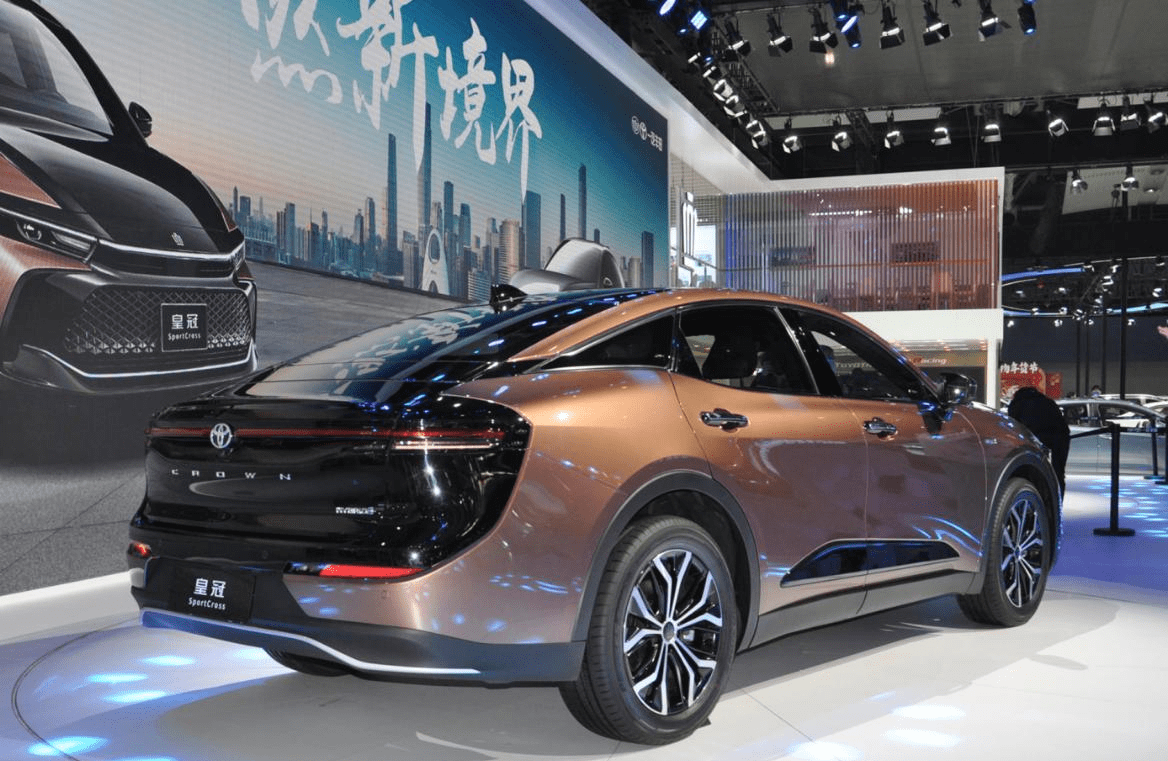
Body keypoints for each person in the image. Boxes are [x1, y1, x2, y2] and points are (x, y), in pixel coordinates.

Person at [1007, 386, 1071, 495]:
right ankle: (1057, 500)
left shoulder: (1017, 404)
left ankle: (1038, 496)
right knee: (1058, 473)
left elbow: (1014, 426)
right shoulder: (1047, 401)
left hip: (1036, 437)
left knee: (1035, 471)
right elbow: (1061, 423)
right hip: (1060, 436)